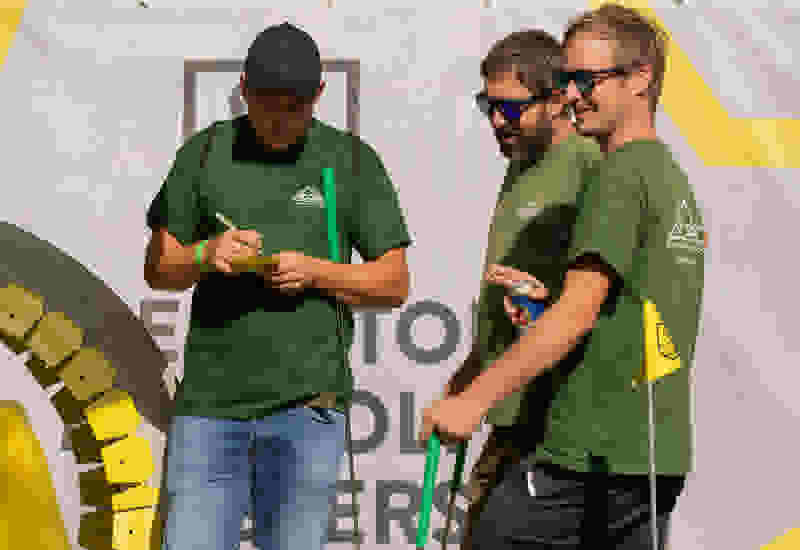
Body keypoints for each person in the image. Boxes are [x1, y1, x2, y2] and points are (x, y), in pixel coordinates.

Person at [421, 4, 705, 549]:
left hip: (592, 445)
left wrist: (473, 400)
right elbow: (624, 304)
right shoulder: (668, 176)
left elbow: (579, 311)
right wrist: (542, 310)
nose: (571, 95)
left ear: (640, 78)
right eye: (568, 80)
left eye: (586, 80)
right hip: (654, 452)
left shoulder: (618, 174)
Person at [144, 22, 412, 550]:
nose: (280, 120)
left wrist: (317, 272)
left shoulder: (350, 160)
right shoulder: (205, 152)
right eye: (267, 105)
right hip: (210, 407)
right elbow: (159, 268)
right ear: (243, 88)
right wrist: (205, 254)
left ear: (319, 94)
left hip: (308, 406)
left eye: (295, 107)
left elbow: (394, 282)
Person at [440, 29, 601, 549]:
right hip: (512, 414)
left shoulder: (588, 166)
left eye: (511, 108)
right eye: (488, 105)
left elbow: (599, 297)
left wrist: (545, 305)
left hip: (558, 426)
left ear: (557, 100)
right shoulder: (522, 165)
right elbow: (512, 295)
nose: (496, 121)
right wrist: (469, 375)